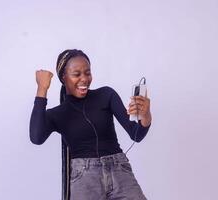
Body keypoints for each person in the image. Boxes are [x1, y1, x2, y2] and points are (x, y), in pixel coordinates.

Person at [29, 49, 152, 200]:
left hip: (119, 171)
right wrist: (42, 89)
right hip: (85, 179)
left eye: (87, 73)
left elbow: (136, 134)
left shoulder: (106, 95)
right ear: (63, 77)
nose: (84, 79)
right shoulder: (58, 114)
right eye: (76, 74)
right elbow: (36, 137)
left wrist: (146, 115)